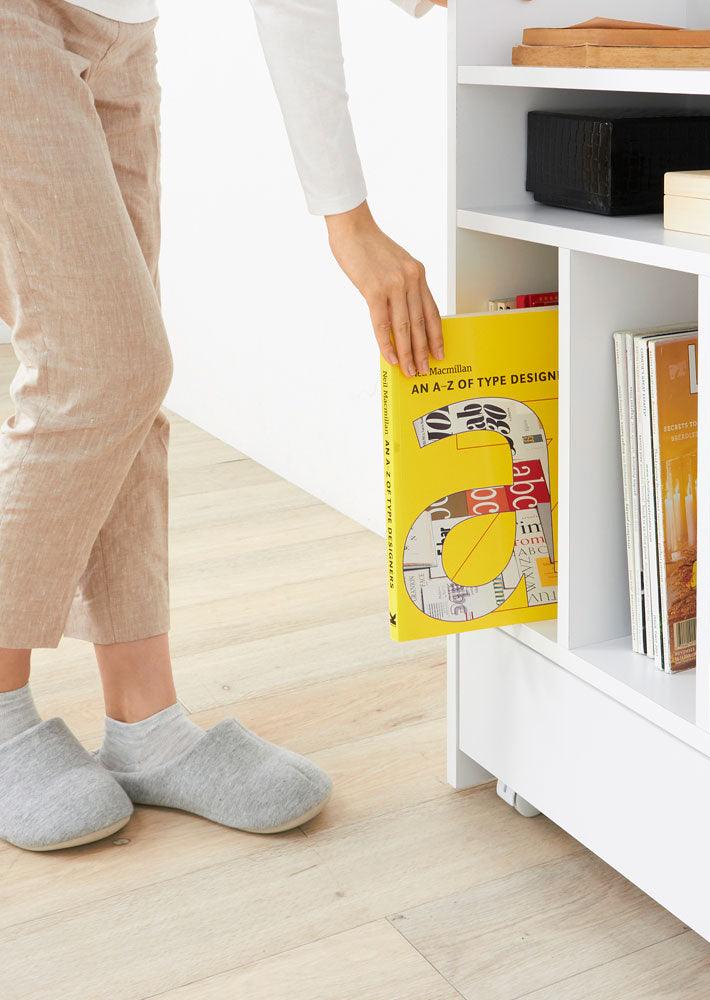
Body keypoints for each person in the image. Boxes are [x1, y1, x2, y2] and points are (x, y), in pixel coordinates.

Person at [0, 0, 446, 852]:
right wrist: (350, 226)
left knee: (127, 388)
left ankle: (146, 724)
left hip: (124, 30)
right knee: (99, 368)